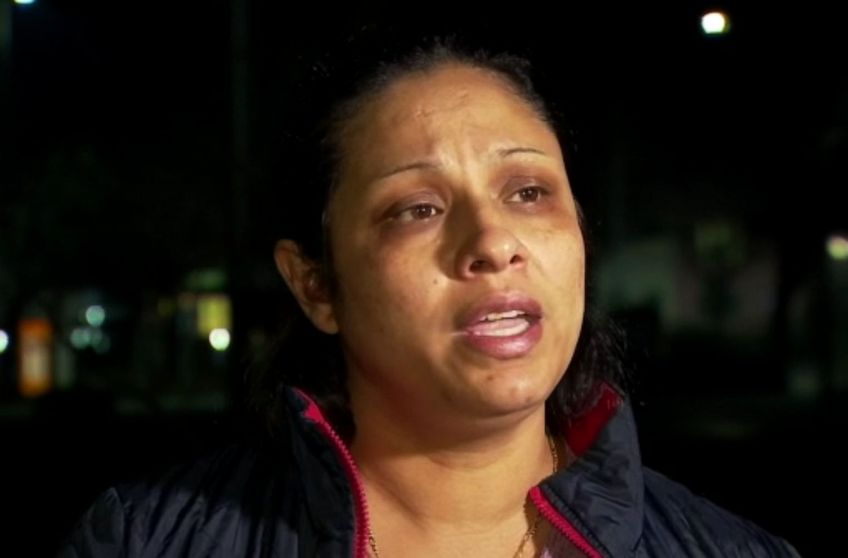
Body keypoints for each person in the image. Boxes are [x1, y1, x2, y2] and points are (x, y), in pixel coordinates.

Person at [60, 38, 800, 557]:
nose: (493, 241)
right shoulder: (146, 539)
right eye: (418, 208)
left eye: (529, 191)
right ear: (316, 285)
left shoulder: (734, 550)